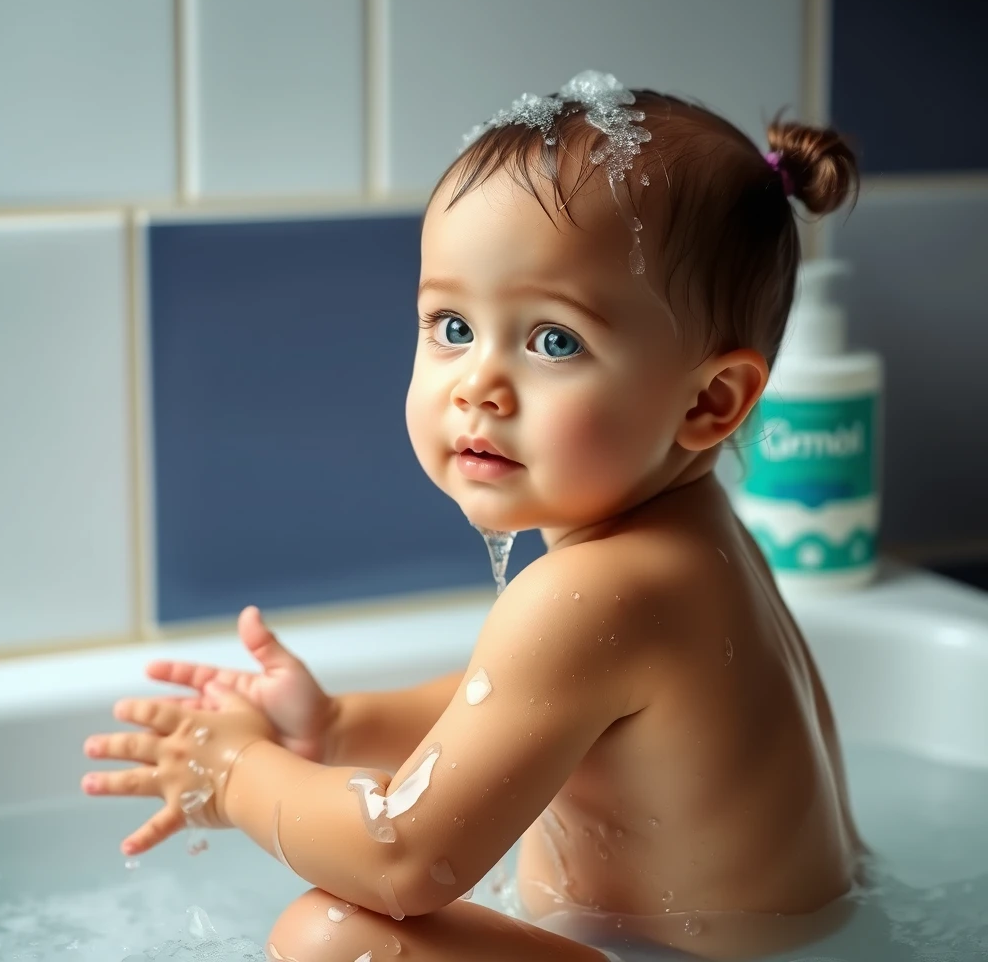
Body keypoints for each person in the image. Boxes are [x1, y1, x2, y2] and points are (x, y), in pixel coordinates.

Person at [82, 72, 865, 961]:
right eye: (450, 326)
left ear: (710, 401)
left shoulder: (595, 592)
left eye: (554, 340)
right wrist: (337, 726)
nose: (477, 387)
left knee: (331, 935)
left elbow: (403, 858)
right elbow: (514, 708)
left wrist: (235, 773)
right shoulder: (693, 542)